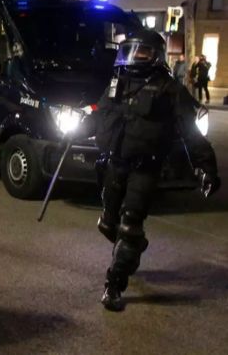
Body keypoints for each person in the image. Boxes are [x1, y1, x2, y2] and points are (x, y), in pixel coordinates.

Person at [78, 30, 219, 312]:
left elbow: (190, 131)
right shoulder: (118, 82)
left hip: (146, 168)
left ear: (154, 54)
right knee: (108, 224)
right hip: (115, 163)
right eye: (130, 50)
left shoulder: (169, 89)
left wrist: (205, 166)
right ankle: (134, 246)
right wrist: (80, 124)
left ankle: (114, 285)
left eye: (141, 51)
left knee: (129, 227)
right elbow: (101, 113)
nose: (134, 56)